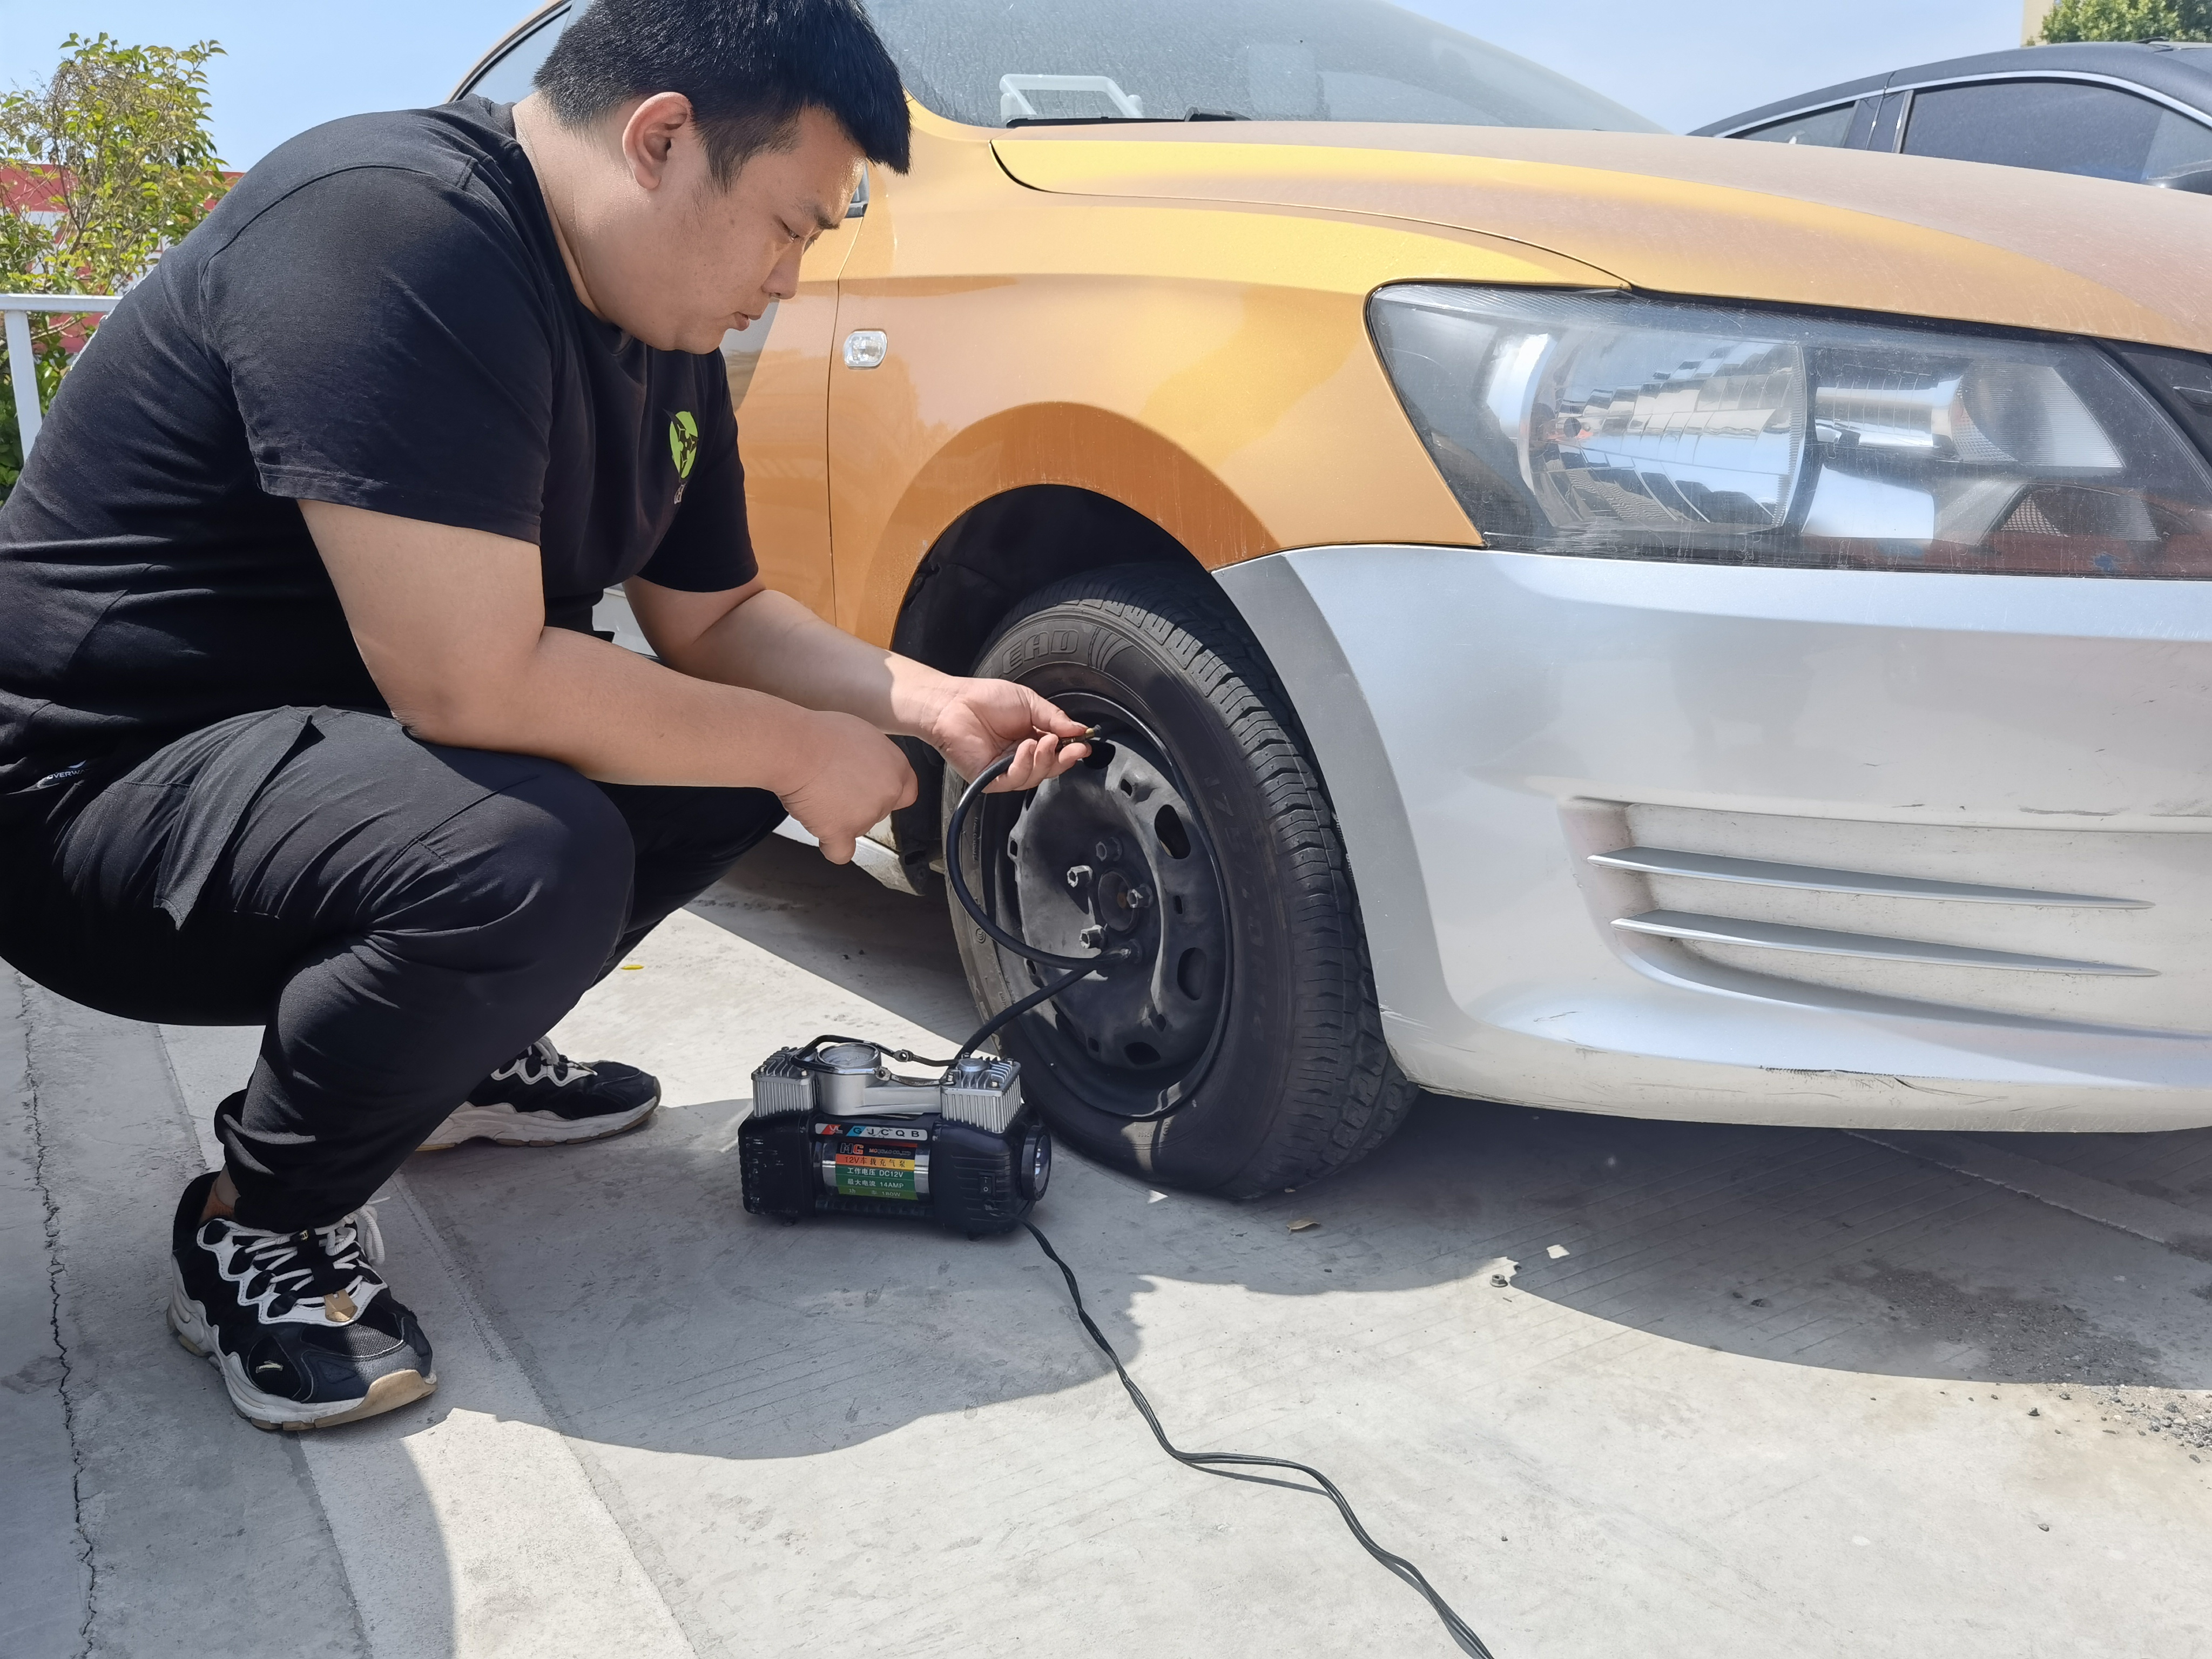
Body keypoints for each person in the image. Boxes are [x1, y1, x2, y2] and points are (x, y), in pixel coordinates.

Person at [0, 0, 1089, 1432]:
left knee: (724, 759)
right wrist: (796, 745)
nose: (789, 277)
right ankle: (259, 1220)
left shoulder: (660, 323)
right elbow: (472, 683)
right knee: (532, 858)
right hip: (97, 800)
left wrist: (930, 702)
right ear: (661, 139)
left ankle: (447, 1058)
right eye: (788, 226)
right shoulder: (394, 227)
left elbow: (717, 617)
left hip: (330, 766)